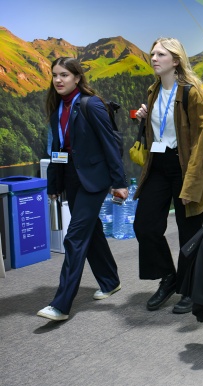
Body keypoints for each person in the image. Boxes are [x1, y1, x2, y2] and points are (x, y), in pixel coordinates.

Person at [38, 57, 128, 321]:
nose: (58, 80)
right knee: (91, 231)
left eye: (64, 75)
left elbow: (111, 145)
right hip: (71, 179)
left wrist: (119, 182)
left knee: (75, 237)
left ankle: (61, 304)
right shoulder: (57, 109)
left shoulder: (92, 105)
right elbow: (56, 151)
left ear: (77, 78)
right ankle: (110, 281)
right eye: (55, 75)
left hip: (94, 180)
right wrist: (53, 185)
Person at [134, 38, 203, 314]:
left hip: (186, 166)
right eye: (153, 54)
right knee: (144, 225)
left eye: (161, 54)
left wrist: (193, 178)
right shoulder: (153, 90)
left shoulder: (191, 92)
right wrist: (146, 117)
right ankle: (169, 277)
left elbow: (199, 139)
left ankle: (191, 288)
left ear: (176, 60)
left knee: (189, 233)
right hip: (158, 164)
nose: (154, 58)